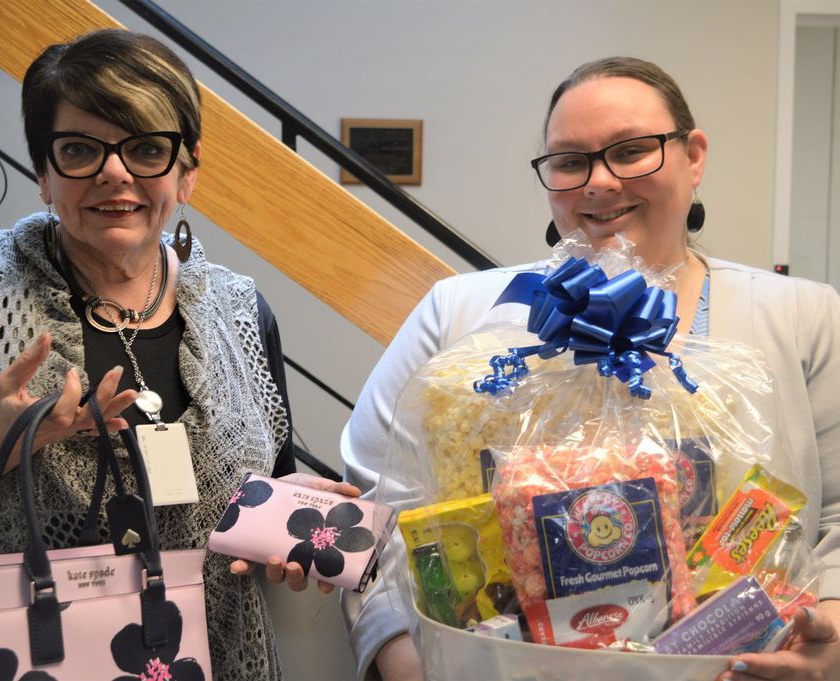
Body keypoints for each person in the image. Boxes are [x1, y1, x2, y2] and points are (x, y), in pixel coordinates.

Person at [341, 56, 840, 681]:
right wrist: (412, 664)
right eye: (571, 161)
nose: (599, 183)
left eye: (632, 151)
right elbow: (377, 515)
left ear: (694, 156)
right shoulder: (461, 315)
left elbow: (835, 520)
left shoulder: (804, 317)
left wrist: (832, 641)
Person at [0, 29, 355, 680]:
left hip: (212, 657)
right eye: (79, 149)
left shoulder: (243, 312)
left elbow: (258, 496)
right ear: (43, 174)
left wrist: (283, 515)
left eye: (147, 149)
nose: (114, 172)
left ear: (187, 174)